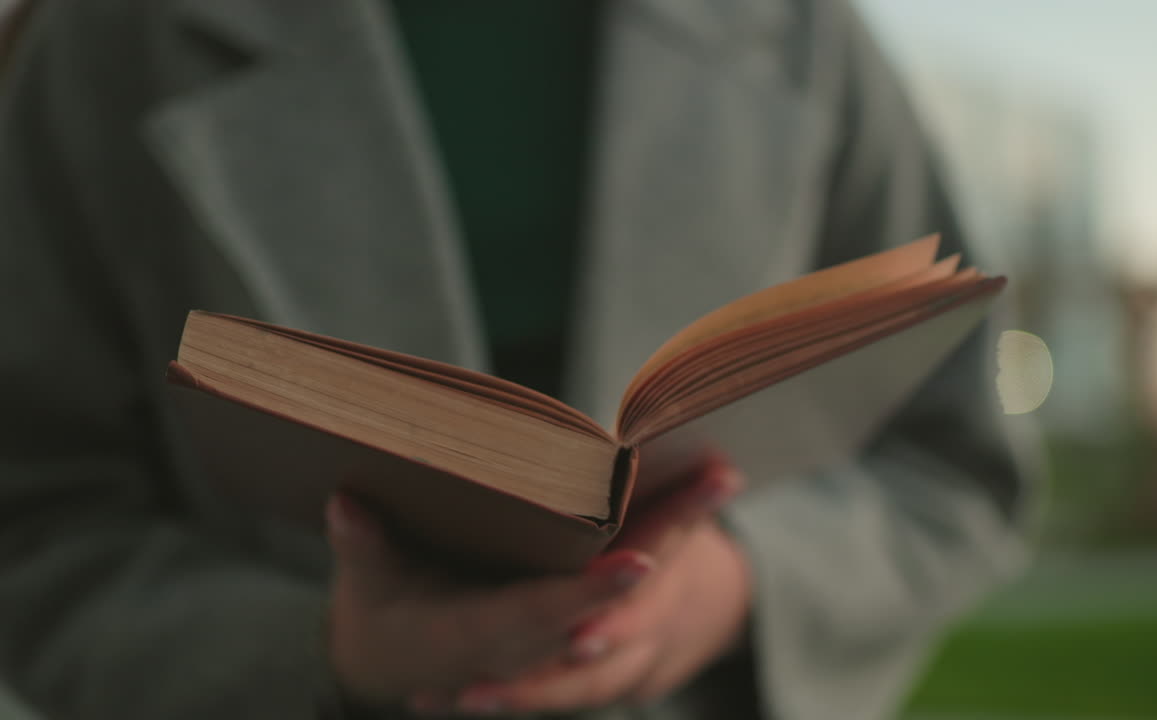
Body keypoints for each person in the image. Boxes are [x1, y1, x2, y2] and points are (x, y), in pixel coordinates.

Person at [0, 1, 1032, 718]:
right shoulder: (110, 34)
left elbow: (956, 462)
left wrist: (736, 587)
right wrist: (320, 657)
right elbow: (31, 514)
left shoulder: (800, 25)